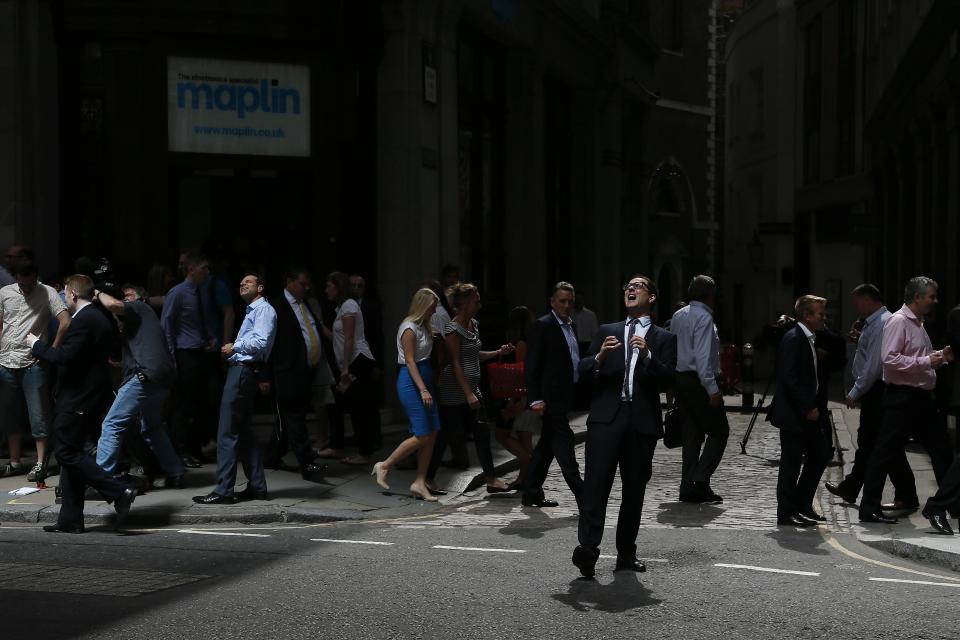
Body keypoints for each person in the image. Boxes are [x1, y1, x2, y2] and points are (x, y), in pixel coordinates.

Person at [572, 274, 677, 578]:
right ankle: (588, 550)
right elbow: (582, 370)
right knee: (595, 486)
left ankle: (625, 555)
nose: (630, 289)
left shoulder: (664, 338)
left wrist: (647, 355)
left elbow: (669, 379)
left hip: (641, 423)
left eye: (638, 286)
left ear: (652, 298)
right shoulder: (608, 331)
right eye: (627, 287)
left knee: (633, 492)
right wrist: (600, 358)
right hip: (606, 420)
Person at [26, 274, 136, 533]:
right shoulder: (98, 317)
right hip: (89, 395)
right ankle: (70, 519)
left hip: (78, 397)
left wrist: (37, 345)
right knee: (71, 453)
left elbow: (65, 356)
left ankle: (119, 490)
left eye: (65, 293)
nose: (64, 297)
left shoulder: (85, 320)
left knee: (65, 451)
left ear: (73, 294)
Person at [859, 276, 956, 524]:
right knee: (884, 452)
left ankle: (951, 505)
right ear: (917, 297)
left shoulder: (918, 324)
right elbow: (889, 360)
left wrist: (940, 356)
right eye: (931, 296)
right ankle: (868, 508)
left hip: (921, 399)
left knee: (942, 451)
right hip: (902, 399)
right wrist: (926, 361)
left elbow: (918, 358)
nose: (935, 301)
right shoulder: (898, 322)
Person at [825, 284, 914, 507]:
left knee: (876, 443)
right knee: (878, 443)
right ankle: (855, 488)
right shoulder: (874, 323)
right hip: (875, 389)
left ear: (867, 300)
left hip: (878, 389)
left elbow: (874, 364)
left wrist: (855, 391)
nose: (856, 307)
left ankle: (898, 494)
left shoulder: (882, 323)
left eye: (857, 302)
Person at [193, 273, 277, 504]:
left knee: (226, 432)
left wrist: (234, 346)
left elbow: (260, 343)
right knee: (246, 435)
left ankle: (223, 490)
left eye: (248, 282)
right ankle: (258, 487)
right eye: (240, 282)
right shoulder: (254, 310)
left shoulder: (263, 310)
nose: (241, 284)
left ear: (260, 287)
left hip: (243, 371)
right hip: (244, 371)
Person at [91, 287, 185, 488]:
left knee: (111, 424)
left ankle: (102, 481)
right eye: (124, 296)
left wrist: (97, 293)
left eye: (129, 295)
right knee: (151, 428)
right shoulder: (136, 323)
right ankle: (175, 472)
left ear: (142, 298)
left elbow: (112, 305)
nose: (125, 299)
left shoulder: (140, 307)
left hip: (145, 377)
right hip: (159, 380)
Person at [427, 283, 513, 492]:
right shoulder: (452, 329)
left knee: (482, 433)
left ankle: (491, 480)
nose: (480, 304)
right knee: (445, 435)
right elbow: (455, 362)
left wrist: (497, 352)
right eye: (476, 300)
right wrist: (468, 394)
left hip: (472, 388)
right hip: (454, 390)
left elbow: (475, 355)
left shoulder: (473, 324)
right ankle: (427, 478)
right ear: (464, 304)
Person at [0, 261, 71, 481]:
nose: (26, 289)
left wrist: (51, 351)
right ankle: (14, 461)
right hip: (6, 360)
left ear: (36, 278)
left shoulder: (47, 292)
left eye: (29, 285)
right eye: (22, 285)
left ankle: (41, 463)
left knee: (38, 414)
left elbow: (65, 321)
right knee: (10, 414)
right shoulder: (5, 292)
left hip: (33, 362)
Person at [372, 288, 443, 501]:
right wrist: (422, 389)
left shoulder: (424, 326)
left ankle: (419, 482)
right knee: (422, 434)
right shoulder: (409, 327)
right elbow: (410, 361)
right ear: (423, 306)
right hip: (411, 382)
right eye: (431, 308)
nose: (434, 312)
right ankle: (385, 465)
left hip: (425, 379)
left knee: (433, 432)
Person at [767, 295, 831, 527]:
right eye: (820, 313)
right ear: (806, 315)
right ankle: (786, 511)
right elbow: (789, 378)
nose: (824, 317)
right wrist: (808, 407)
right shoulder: (794, 338)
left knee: (821, 454)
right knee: (791, 462)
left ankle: (802, 503)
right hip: (795, 413)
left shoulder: (809, 338)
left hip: (808, 411)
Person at [522, 283, 585, 508]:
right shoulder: (543, 325)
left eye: (570, 301)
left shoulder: (571, 326)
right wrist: (535, 398)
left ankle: (531, 492)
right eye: (562, 301)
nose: (567, 306)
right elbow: (532, 365)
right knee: (564, 446)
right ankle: (584, 497)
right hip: (550, 399)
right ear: (552, 302)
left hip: (565, 396)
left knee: (546, 448)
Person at [266, 267, 329, 482]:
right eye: (303, 284)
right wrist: (265, 376)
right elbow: (269, 343)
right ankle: (307, 463)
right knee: (296, 419)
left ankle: (271, 455)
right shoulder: (276, 307)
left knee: (288, 418)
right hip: (287, 373)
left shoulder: (305, 305)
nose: (307, 287)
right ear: (290, 282)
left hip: (306, 372)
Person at [670, 275, 728, 503]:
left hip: (681, 379)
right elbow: (703, 358)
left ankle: (687, 488)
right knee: (719, 431)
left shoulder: (678, 314)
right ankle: (700, 479)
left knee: (691, 435)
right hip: (698, 381)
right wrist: (713, 389)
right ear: (712, 295)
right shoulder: (704, 318)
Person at [160, 251, 216, 467]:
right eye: (204, 268)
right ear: (191, 269)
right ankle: (179, 450)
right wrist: (172, 359)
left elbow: (202, 319)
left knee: (203, 402)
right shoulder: (178, 293)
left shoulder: (200, 292)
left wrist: (210, 337)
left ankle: (195, 447)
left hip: (200, 350)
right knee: (183, 405)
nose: (207, 272)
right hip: (185, 354)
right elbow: (167, 326)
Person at [325, 271, 380, 465]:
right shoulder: (340, 307)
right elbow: (337, 338)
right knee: (344, 404)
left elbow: (349, 338)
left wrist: (345, 368)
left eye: (329, 286)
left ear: (338, 287)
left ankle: (365, 453)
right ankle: (341, 446)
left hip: (358, 360)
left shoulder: (349, 305)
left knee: (359, 408)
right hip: (352, 362)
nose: (326, 290)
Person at [493, 306, 537, 491]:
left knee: (504, 435)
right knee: (525, 437)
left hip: (520, 395)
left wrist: (515, 400)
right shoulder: (528, 341)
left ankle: (526, 473)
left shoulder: (521, 343)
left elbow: (520, 372)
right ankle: (526, 479)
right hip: (528, 395)